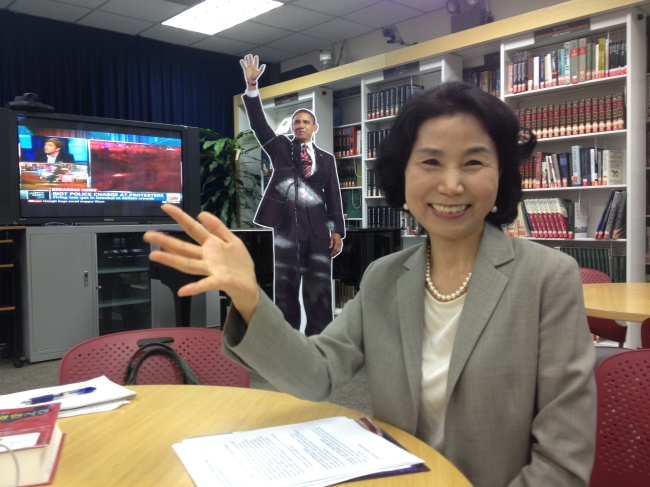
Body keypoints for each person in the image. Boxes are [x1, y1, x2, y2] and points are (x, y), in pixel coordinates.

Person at [143, 81, 596, 487]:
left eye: (474, 162)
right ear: (403, 175)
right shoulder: (384, 277)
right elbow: (317, 374)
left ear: (503, 174)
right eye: (431, 162)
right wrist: (248, 295)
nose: (452, 184)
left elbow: (562, 463)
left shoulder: (547, 279)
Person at [239, 54, 345, 336]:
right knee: (285, 289)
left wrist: (337, 232)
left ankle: (319, 342)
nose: (299, 125)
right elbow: (259, 125)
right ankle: (287, 344)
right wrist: (252, 89)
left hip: (319, 232)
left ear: (314, 128)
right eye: (296, 122)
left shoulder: (327, 159)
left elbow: (334, 196)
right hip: (287, 229)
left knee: (319, 288)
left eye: (305, 122)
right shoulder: (281, 149)